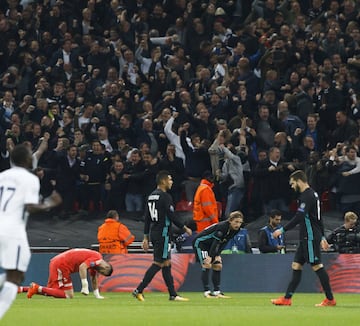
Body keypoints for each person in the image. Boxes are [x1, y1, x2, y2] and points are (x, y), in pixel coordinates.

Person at [0, 144, 62, 320]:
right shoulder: (29, 179)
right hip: (13, 230)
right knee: (16, 278)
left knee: (15, 275)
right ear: (26, 160)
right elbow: (29, 206)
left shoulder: (2, 176)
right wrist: (50, 203)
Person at [271, 170, 336, 307]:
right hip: (306, 237)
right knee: (296, 265)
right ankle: (287, 299)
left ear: (298, 180)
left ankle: (330, 299)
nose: (292, 186)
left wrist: (282, 230)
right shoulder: (313, 194)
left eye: (292, 183)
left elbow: (300, 217)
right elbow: (319, 218)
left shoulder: (306, 196)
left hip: (310, 237)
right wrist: (323, 236)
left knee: (317, 266)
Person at [132, 170, 192, 302]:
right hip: (163, 232)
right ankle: (139, 289)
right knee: (159, 263)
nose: (171, 182)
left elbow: (147, 218)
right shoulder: (165, 197)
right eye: (170, 179)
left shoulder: (151, 196)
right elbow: (171, 215)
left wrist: (146, 236)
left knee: (167, 263)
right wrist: (184, 227)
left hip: (154, 232)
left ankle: (173, 294)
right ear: (163, 181)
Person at [192, 210, 244, 298]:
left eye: (240, 222)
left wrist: (217, 255)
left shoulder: (236, 230)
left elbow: (224, 242)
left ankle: (217, 292)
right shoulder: (223, 227)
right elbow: (215, 242)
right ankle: (207, 292)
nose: (238, 224)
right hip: (201, 243)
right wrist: (210, 256)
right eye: (236, 222)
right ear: (230, 220)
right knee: (207, 264)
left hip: (210, 245)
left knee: (218, 265)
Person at [26, 248, 113, 299]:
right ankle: (36, 287)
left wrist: (97, 295)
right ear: (106, 267)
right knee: (68, 294)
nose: (100, 272)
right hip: (62, 265)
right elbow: (82, 267)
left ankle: (24, 289)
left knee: (52, 291)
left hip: (58, 262)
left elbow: (93, 278)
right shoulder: (97, 259)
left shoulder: (95, 264)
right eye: (102, 272)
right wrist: (85, 286)